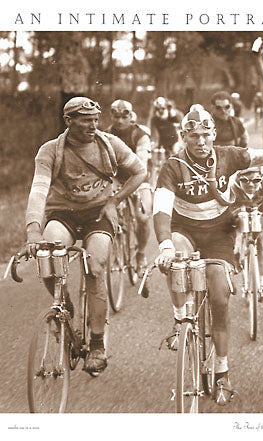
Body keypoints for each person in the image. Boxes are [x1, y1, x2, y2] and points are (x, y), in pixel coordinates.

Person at [152, 108, 263, 405]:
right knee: (177, 262)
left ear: (214, 135)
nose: (201, 141)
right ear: (183, 137)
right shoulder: (172, 166)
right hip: (185, 230)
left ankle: (222, 372)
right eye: (193, 135)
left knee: (220, 297)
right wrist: (165, 245)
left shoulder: (229, 155)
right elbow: (161, 208)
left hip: (220, 235)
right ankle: (180, 319)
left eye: (206, 134)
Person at [25, 97, 146, 374]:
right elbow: (38, 190)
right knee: (47, 257)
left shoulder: (109, 144)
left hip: (98, 214)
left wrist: (114, 201)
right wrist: (33, 229)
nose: (93, 125)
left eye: (95, 119)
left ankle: (97, 343)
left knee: (96, 264)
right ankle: (64, 305)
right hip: (63, 213)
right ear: (69, 121)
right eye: (86, 120)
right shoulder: (50, 151)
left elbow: (140, 171)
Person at [107, 99, 153, 274]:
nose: (119, 121)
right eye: (116, 116)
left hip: (139, 179)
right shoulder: (105, 134)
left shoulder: (140, 135)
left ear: (130, 116)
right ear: (111, 115)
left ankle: (141, 253)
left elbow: (141, 162)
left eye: (123, 116)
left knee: (142, 218)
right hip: (116, 179)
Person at [229, 166, 263, 301]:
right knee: (232, 231)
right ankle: (236, 255)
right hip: (238, 203)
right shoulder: (230, 184)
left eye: (256, 180)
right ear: (238, 179)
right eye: (245, 180)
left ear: (262, 177)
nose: (250, 184)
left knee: (262, 238)